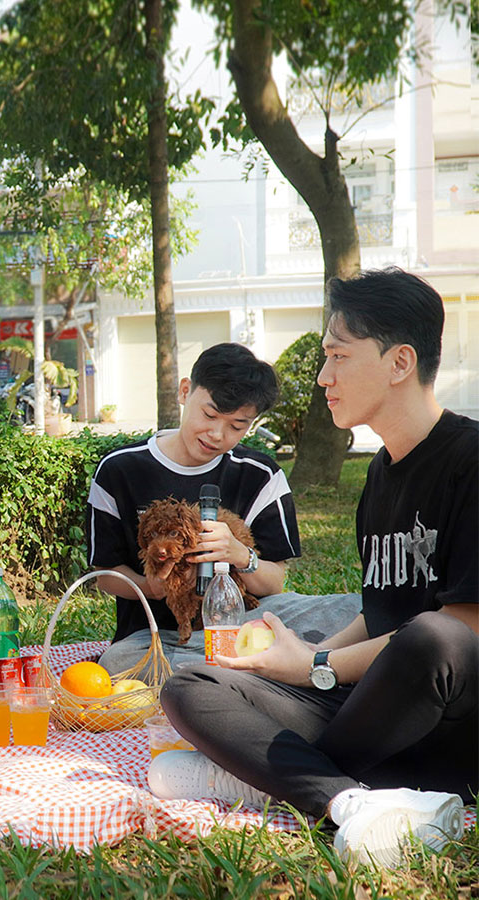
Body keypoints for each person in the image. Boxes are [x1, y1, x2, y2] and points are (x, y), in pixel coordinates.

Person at [150, 268, 478, 869]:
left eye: (337, 356)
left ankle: (259, 778)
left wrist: (317, 668)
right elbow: (380, 607)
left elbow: (464, 631)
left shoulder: (471, 460)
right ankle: (351, 801)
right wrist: (304, 657)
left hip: (451, 723)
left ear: (400, 362)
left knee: (435, 635)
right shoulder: (379, 474)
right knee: (191, 686)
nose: (323, 376)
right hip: (368, 710)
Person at [86, 342, 333, 674]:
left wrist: (239, 554)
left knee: (344, 610)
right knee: (118, 662)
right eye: (210, 415)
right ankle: (251, 670)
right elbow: (105, 575)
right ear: (185, 391)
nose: (217, 434)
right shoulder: (120, 469)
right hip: (158, 638)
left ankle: (226, 672)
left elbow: (275, 583)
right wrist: (153, 587)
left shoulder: (260, 475)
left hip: (243, 628)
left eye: (236, 426)